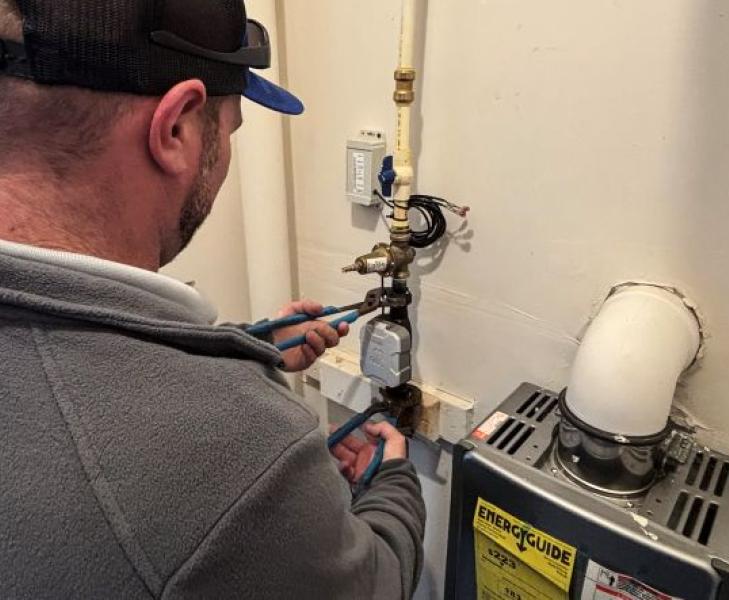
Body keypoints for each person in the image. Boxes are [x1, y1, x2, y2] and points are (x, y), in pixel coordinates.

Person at [0, 1, 425, 599]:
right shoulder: (241, 453)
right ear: (176, 128)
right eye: (229, 131)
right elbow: (372, 584)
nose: (224, 156)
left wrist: (234, 349)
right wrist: (396, 483)